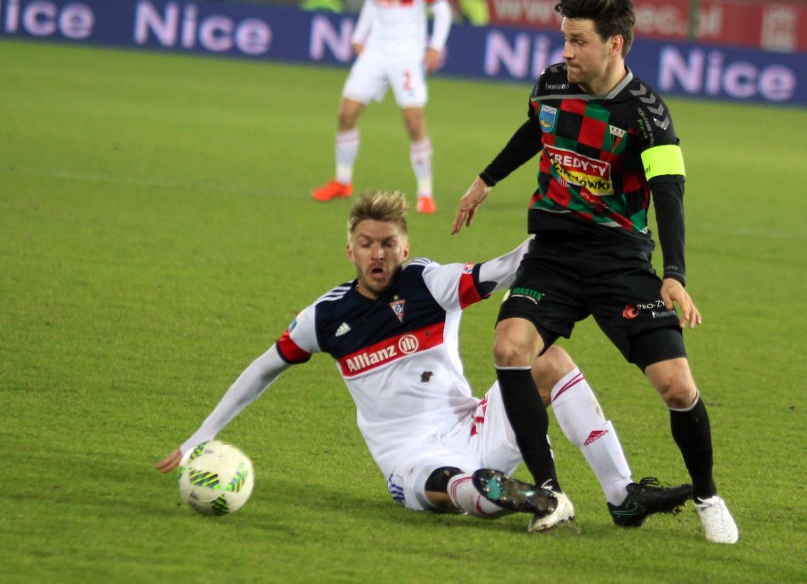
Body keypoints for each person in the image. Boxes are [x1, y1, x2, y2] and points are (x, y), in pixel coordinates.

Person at [157, 191, 691, 530]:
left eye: (388, 243)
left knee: (545, 357)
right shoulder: (324, 319)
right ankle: (513, 496)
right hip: (409, 457)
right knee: (448, 487)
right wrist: (201, 435)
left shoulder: (429, 284)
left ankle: (620, 494)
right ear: (350, 250)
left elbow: (503, 269)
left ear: (404, 248)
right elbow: (263, 368)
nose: (377, 254)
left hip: (476, 424)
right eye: (365, 243)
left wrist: (556, 233)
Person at [451, 0, 738, 543]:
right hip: (553, 254)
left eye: (578, 42)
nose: (567, 52)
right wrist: (486, 180)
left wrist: (674, 275)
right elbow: (537, 128)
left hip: (619, 261)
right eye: (565, 39)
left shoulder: (649, 115)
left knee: (677, 387)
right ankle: (550, 492)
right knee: (510, 346)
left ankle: (707, 495)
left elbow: (669, 193)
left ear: (616, 45)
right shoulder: (553, 85)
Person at [311, 0, 453, 215]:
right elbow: (372, 4)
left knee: (414, 123)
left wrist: (435, 47)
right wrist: (359, 36)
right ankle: (342, 180)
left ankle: (425, 192)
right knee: (346, 113)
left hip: (406, 56)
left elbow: (442, 11)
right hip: (375, 51)